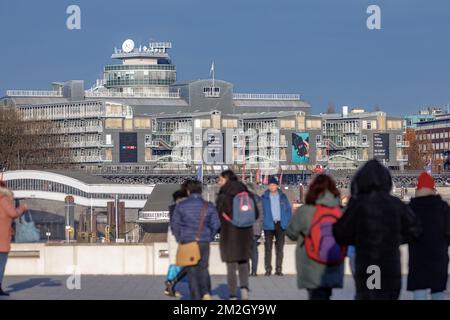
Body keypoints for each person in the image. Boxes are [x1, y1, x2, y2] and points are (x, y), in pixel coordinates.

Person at [333, 159, 421, 300]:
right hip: (390, 264)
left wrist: (358, 239)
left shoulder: (358, 205)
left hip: (367, 263)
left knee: (369, 294)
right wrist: (395, 239)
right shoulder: (396, 204)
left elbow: (339, 232)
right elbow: (415, 229)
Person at [286, 174, 345, 300]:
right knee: (325, 294)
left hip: (311, 265)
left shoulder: (306, 211)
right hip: (333, 262)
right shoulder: (341, 211)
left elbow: (291, 233)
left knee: (315, 295)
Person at [171, 180, 220, 300]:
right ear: (201, 191)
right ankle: (206, 293)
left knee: (192, 271)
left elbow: (175, 224)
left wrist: (179, 238)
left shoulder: (181, 206)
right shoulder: (208, 206)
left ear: (188, 191)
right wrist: (210, 236)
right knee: (203, 267)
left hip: (188, 241)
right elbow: (216, 224)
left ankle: (196, 297)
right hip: (203, 241)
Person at [407, 172, 450, 300]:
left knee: (419, 290)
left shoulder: (411, 208)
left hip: (417, 257)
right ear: (432, 188)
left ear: (418, 188)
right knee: (438, 290)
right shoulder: (443, 207)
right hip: (439, 256)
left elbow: (405, 232)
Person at [216, 170, 258, 300]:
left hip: (229, 235)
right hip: (245, 234)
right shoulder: (247, 194)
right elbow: (255, 214)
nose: (219, 183)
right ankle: (244, 289)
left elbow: (218, 217)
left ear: (226, 180)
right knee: (244, 263)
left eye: (220, 180)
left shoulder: (223, 196)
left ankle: (233, 295)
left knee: (231, 266)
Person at [0, 181, 28, 296]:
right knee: (1, 264)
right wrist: (22, 208)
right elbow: (13, 213)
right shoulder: (3, 199)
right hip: (1, 239)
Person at [261, 176, 292, 276]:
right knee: (268, 248)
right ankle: (268, 269)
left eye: (274, 185)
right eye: (270, 185)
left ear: (277, 186)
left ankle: (278, 269)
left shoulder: (283, 196)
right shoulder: (264, 197)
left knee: (279, 248)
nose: (272, 187)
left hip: (280, 224)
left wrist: (286, 221)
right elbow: (261, 211)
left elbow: (288, 210)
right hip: (268, 224)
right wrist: (263, 222)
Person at [164, 189, 188, 297]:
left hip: (175, 236)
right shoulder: (177, 209)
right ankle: (170, 284)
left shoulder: (174, 208)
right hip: (176, 237)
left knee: (175, 262)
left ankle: (170, 285)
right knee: (176, 262)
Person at [246, 182, 264, 277]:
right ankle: (254, 271)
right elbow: (261, 215)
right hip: (255, 229)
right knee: (254, 251)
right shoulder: (258, 199)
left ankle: (247, 271)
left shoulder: (243, 199)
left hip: (246, 228)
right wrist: (259, 228)